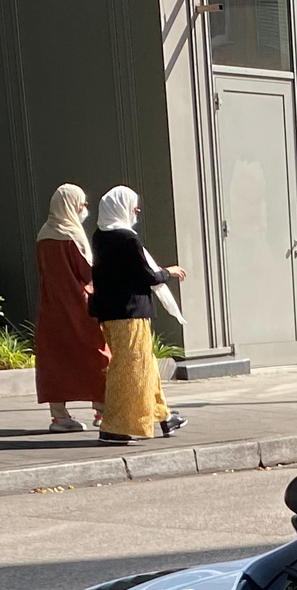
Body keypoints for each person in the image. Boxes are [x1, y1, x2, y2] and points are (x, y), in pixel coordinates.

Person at [88, 186, 186, 445]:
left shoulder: (100, 236)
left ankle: (163, 416)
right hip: (131, 313)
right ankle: (115, 427)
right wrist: (169, 271)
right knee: (131, 369)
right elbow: (149, 275)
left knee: (146, 365)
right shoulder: (127, 239)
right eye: (133, 206)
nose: (137, 210)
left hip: (110, 312)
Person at [33, 184, 109, 432]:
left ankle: (59, 415)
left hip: (51, 306)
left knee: (56, 360)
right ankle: (103, 410)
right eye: (82, 204)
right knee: (97, 355)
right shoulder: (71, 236)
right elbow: (86, 273)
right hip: (79, 305)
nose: (84, 209)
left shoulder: (44, 234)